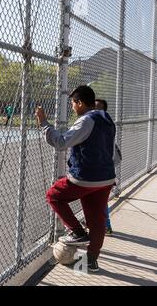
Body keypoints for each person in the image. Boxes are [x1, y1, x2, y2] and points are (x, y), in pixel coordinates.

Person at [35, 85, 116, 273]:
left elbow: (61, 143)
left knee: (53, 196)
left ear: (80, 103)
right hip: (105, 178)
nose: (72, 106)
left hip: (85, 177)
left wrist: (44, 122)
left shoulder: (85, 121)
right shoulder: (106, 118)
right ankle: (91, 261)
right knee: (97, 220)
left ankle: (77, 232)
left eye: (73, 103)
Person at [95, 99, 122, 236]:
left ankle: (105, 226)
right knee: (99, 200)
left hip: (103, 171)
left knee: (100, 200)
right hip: (102, 171)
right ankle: (103, 225)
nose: (94, 109)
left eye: (98, 108)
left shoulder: (103, 125)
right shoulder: (103, 124)